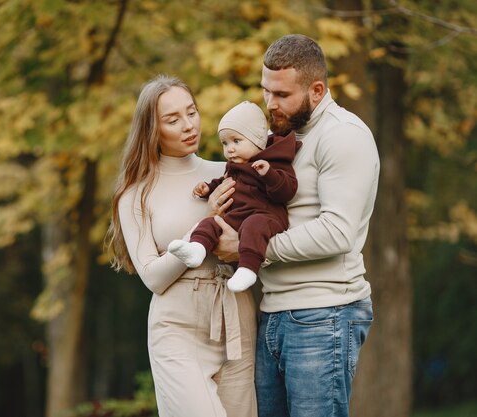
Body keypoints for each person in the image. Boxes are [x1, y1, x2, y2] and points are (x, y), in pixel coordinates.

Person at [210, 34, 380, 417]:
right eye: (265, 91)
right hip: (271, 312)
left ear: (317, 90)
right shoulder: (276, 139)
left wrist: (248, 249)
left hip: (324, 315)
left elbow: (337, 232)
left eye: (282, 95)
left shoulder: (343, 136)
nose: (270, 104)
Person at [106, 74, 257, 417]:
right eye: (173, 120)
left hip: (236, 318)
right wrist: (202, 223)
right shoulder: (136, 194)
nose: (188, 125)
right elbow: (153, 278)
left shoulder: (229, 173)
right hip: (177, 328)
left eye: (191, 112)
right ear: (152, 130)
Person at [167, 100, 299, 293]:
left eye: (236, 141)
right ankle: (196, 248)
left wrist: (269, 174)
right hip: (237, 217)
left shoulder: (273, 162)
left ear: (257, 140)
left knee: (254, 226)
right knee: (210, 222)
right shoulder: (234, 165)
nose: (229, 149)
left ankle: (247, 269)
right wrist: (208, 188)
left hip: (265, 217)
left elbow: (287, 190)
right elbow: (224, 181)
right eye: (225, 143)